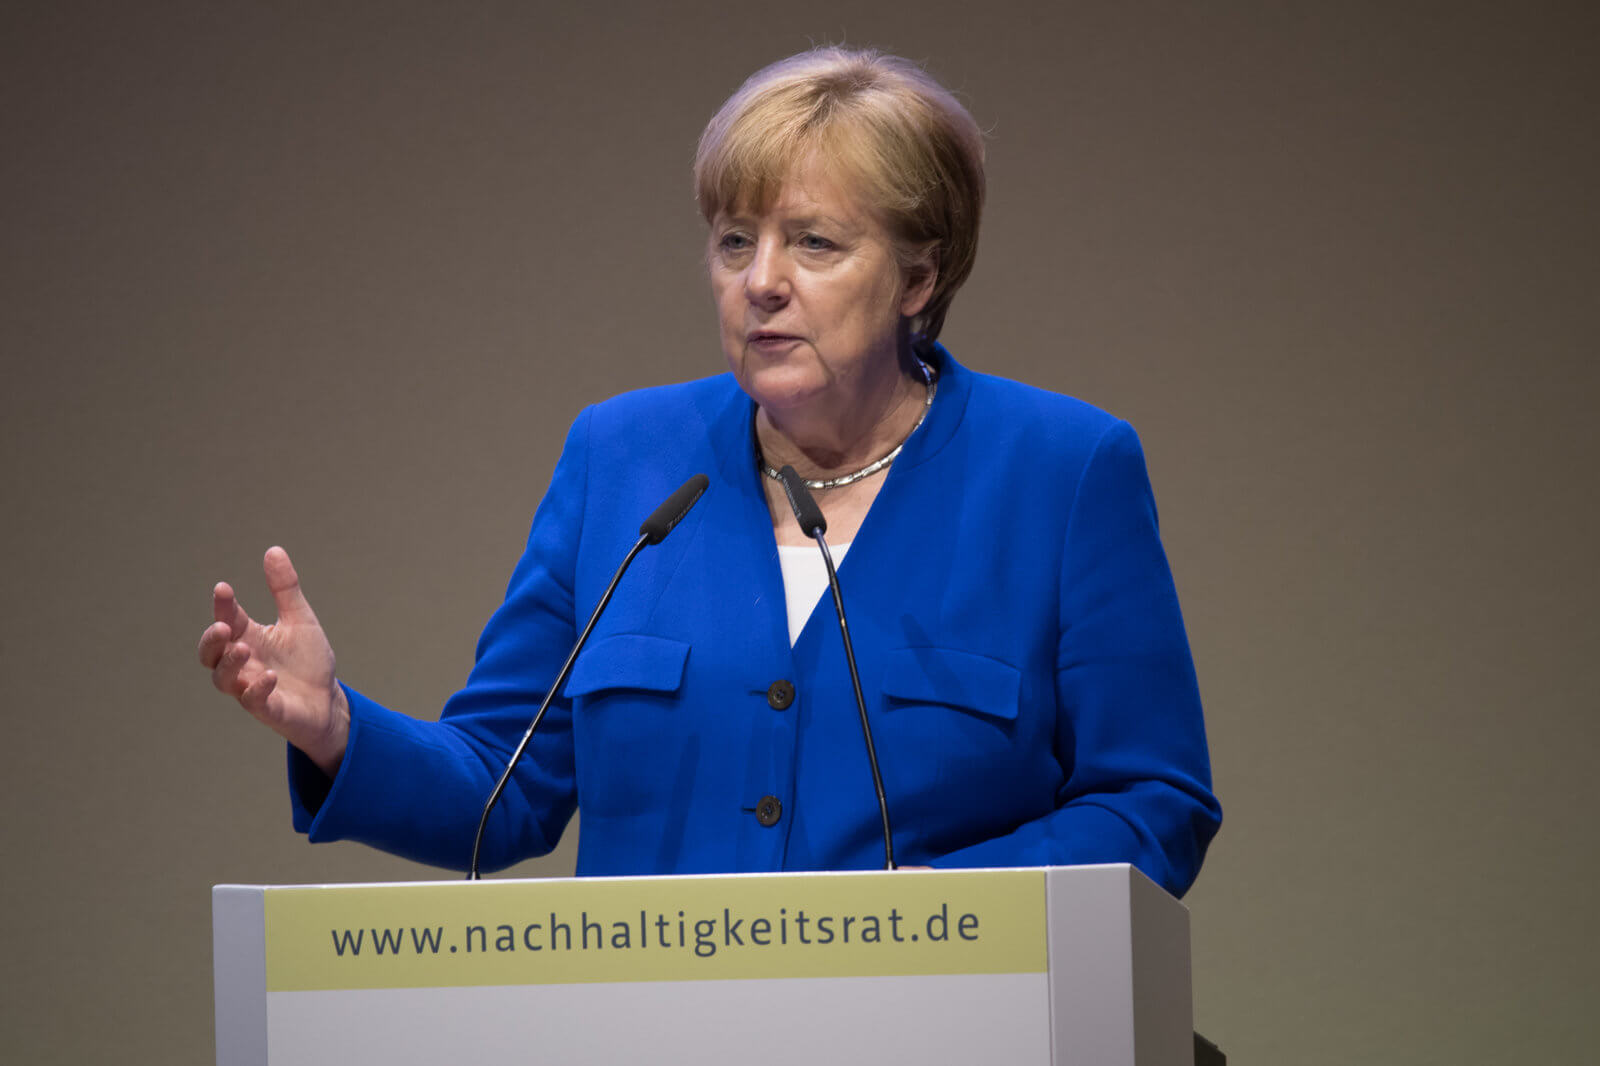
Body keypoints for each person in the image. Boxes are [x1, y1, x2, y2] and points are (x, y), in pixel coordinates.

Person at [197, 47, 1221, 896]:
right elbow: (500, 789)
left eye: (813, 243)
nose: (760, 281)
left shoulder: (1061, 472)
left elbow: (1150, 804)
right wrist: (338, 730)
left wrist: (937, 914)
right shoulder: (622, 458)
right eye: (736, 241)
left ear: (919, 275)